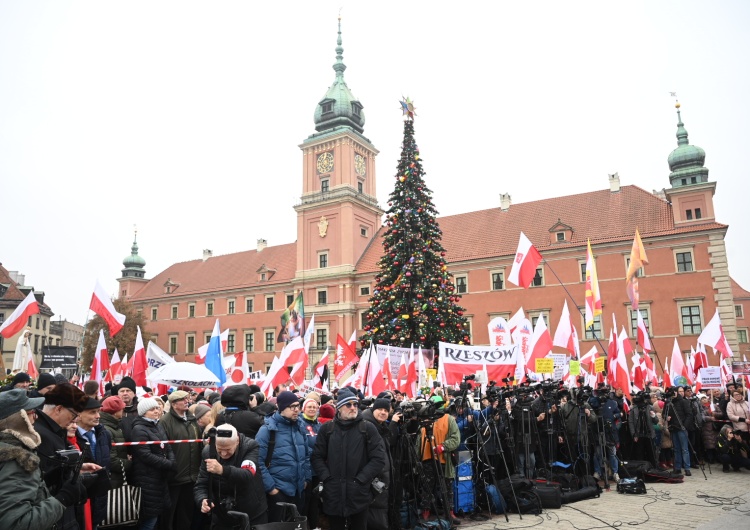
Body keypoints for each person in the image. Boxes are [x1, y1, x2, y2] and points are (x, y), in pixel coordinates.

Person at [0, 389, 87, 529]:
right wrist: (62, 499)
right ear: (17, 419)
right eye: (31, 413)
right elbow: (16, 523)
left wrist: (48, 477)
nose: (36, 418)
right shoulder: (15, 459)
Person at [311, 387, 387, 530]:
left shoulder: (367, 428)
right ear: (339, 408)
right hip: (334, 493)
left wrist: (360, 480)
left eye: (355, 404)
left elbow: (378, 459)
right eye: (348, 405)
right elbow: (317, 457)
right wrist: (327, 479)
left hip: (359, 493)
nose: (353, 408)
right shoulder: (327, 429)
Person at [35, 383, 100, 530]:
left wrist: (78, 468)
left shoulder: (54, 430)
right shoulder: (40, 434)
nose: (75, 420)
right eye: (73, 415)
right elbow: (44, 479)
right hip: (54, 515)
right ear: (58, 408)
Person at [194, 424, 268, 528]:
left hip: (252, 512)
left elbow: (247, 474)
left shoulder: (250, 446)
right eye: (219, 449)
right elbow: (201, 483)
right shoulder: (208, 452)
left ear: (237, 441)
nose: (223, 454)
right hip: (221, 513)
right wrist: (202, 500)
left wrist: (222, 470)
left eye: (228, 449)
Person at [256, 390, 311, 522]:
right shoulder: (267, 430)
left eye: (298, 406)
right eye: (292, 407)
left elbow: (306, 456)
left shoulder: (299, 427)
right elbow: (258, 461)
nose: (296, 410)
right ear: (281, 408)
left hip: (298, 490)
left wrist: (306, 479)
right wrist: (272, 489)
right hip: (278, 492)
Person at [130, 397, 175, 530]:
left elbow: (168, 446)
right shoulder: (139, 429)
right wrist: (167, 463)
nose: (156, 411)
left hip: (159, 477)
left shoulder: (158, 425)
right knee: (149, 518)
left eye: (157, 408)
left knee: (157, 515)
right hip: (147, 478)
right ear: (143, 412)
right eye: (152, 409)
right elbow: (145, 455)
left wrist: (172, 460)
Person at [159, 390, 202, 530]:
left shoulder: (191, 418)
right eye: (182, 400)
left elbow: (198, 442)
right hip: (175, 475)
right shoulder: (165, 421)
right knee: (170, 513)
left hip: (192, 475)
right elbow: (164, 448)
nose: (187, 401)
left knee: (187, 512)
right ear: (173, 404)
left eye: (187, 398)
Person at [417, 394, 462, 525]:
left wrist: (443, 447)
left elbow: (455, 438)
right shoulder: (424, 419)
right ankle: (426, 512)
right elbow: (418, 441)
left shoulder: (448, 419)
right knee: (427, 488)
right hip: (427, 460)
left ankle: (450, 513)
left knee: (447, 488)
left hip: (444, 460)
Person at [75, 397, 112, 530]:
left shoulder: (104, 434)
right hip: (80, 500)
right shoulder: (70, 435)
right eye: (92, 412)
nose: (97, 416)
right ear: (78, 414)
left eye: (98, 412)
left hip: (99, 497)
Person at [362, 397, 395, 530]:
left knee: (379, 514)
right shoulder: (366, 427)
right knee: (374, 518)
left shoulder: (381, 426)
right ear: (373, 410)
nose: (383, 412)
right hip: (373, 481)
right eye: (380, 409)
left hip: (382, 479)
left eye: (386, 410)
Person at [99, 395, 131, 488]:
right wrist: (130, 463)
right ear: (115, 411)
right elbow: (112, 461)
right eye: (121, 409)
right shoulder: (107, 430)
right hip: (113, 479)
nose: (123, 411)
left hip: (118, 477)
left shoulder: (114, 426)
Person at [665, 386, 693, 476]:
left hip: (682, 428)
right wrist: (666, 417)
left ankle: (687, 468)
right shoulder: (668, 403)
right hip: (673, 428)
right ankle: (677, 468)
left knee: (684, 449)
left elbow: (689, 415)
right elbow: (664, 414)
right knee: (676, 449)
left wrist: (685, 426)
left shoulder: (684, 402)